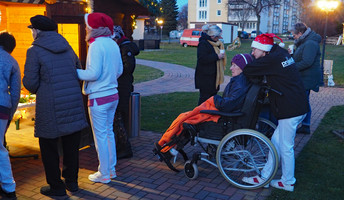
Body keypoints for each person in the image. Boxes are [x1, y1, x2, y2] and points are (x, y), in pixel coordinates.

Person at [23, 15, 89, 196]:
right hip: (73, 103)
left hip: (50, 107)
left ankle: (56, 187)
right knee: (71, 147)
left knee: (49, 148)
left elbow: (30, 83)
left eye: (31, 30)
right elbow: (78, 68)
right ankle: (72, 182)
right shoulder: (67, 47)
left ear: (36, 31)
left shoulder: (34, 50)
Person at [242, 33, 309, 192]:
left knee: (285, 146)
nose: (252, 53)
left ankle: (288, 181)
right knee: (276, 143)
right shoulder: (280, 53)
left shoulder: (272, 59)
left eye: (254, 50)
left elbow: (248, 69)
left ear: (264, 50)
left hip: (290, 108)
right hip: (297, 104)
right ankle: (265, 177)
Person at [156, 53, 252, 155]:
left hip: (224, 118)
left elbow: (226, 105)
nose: (231, 68)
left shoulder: (240, 84)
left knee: (186, 119)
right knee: (186, 117)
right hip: (225, 114)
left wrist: (215, 99)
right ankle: (170, 146)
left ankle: (167, 146)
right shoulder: (240, 81)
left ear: (242, 68)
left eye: (234, 65)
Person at [77, 13, 123, 184]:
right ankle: (110, 170)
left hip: (98, 98)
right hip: (112, 95)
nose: (86, 28)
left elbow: (93, 73)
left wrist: (73, 71)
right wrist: (108, 79)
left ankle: (104, 173)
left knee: (101, 136)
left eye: (88, 25)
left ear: (94, 27)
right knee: (108, 134)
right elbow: (119, 71)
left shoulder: (95, 46)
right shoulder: (113, 43)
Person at [111, 25, 140, 159]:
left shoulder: (125, 47)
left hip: (122, 86)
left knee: (118, 116)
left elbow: (128, 67)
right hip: (121, 85)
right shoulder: (122, 46)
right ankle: (121, 145)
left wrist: (114, 72)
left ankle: (125, 148)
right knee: (118, 116)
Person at [289, 23, 322, 134]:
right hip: (304, 76)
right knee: (304, 101)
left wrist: (291, 67)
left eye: (294, 35)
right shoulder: (305, 41)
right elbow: (302, 56)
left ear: (300, 33)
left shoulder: (310, 43)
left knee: (303, 101)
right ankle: (305, 125)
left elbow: (307, 61)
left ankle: (305, 125)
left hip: (307, 77)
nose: (293, 37)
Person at [0, 31, 21, 199]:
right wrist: (11, 113)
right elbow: (15, 94)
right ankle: (8, 186)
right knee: (0, 147)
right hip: (2, 107)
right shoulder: (13, 62)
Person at [195, 25, 227, 105]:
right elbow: (202, 58)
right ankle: (200, 115)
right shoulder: (203, 43)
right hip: (205, 78)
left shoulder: (216, 43)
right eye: (218, 36)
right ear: (212, 36)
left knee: (212, 98)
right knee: (204, 99)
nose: (219, 38)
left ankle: (209, 115)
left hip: (214, 77)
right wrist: (217, 56)